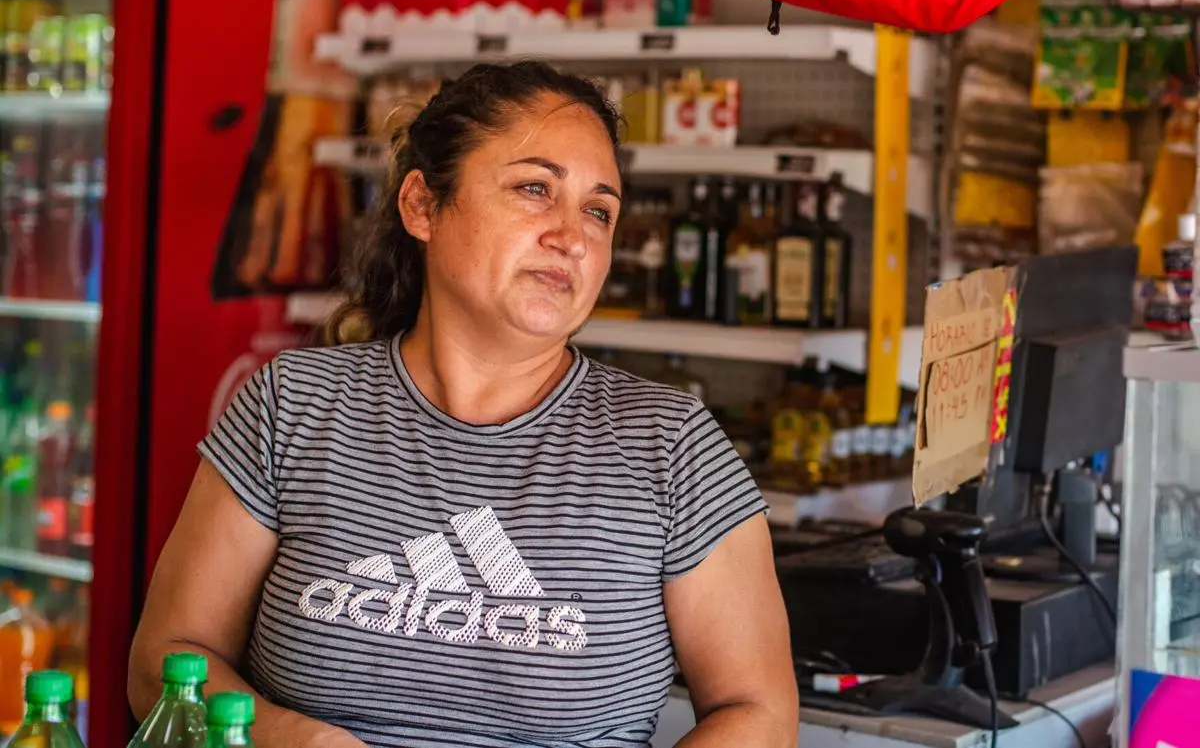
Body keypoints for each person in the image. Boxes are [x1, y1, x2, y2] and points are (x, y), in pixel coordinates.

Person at [129, 61, 798, 747]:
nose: (573, 236)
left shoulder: (671, 445)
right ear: (422, 205)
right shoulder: (292, 404)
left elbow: (758, 711)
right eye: (535, 189)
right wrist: (298, 740)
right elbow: (166, 656)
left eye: (599, 210)